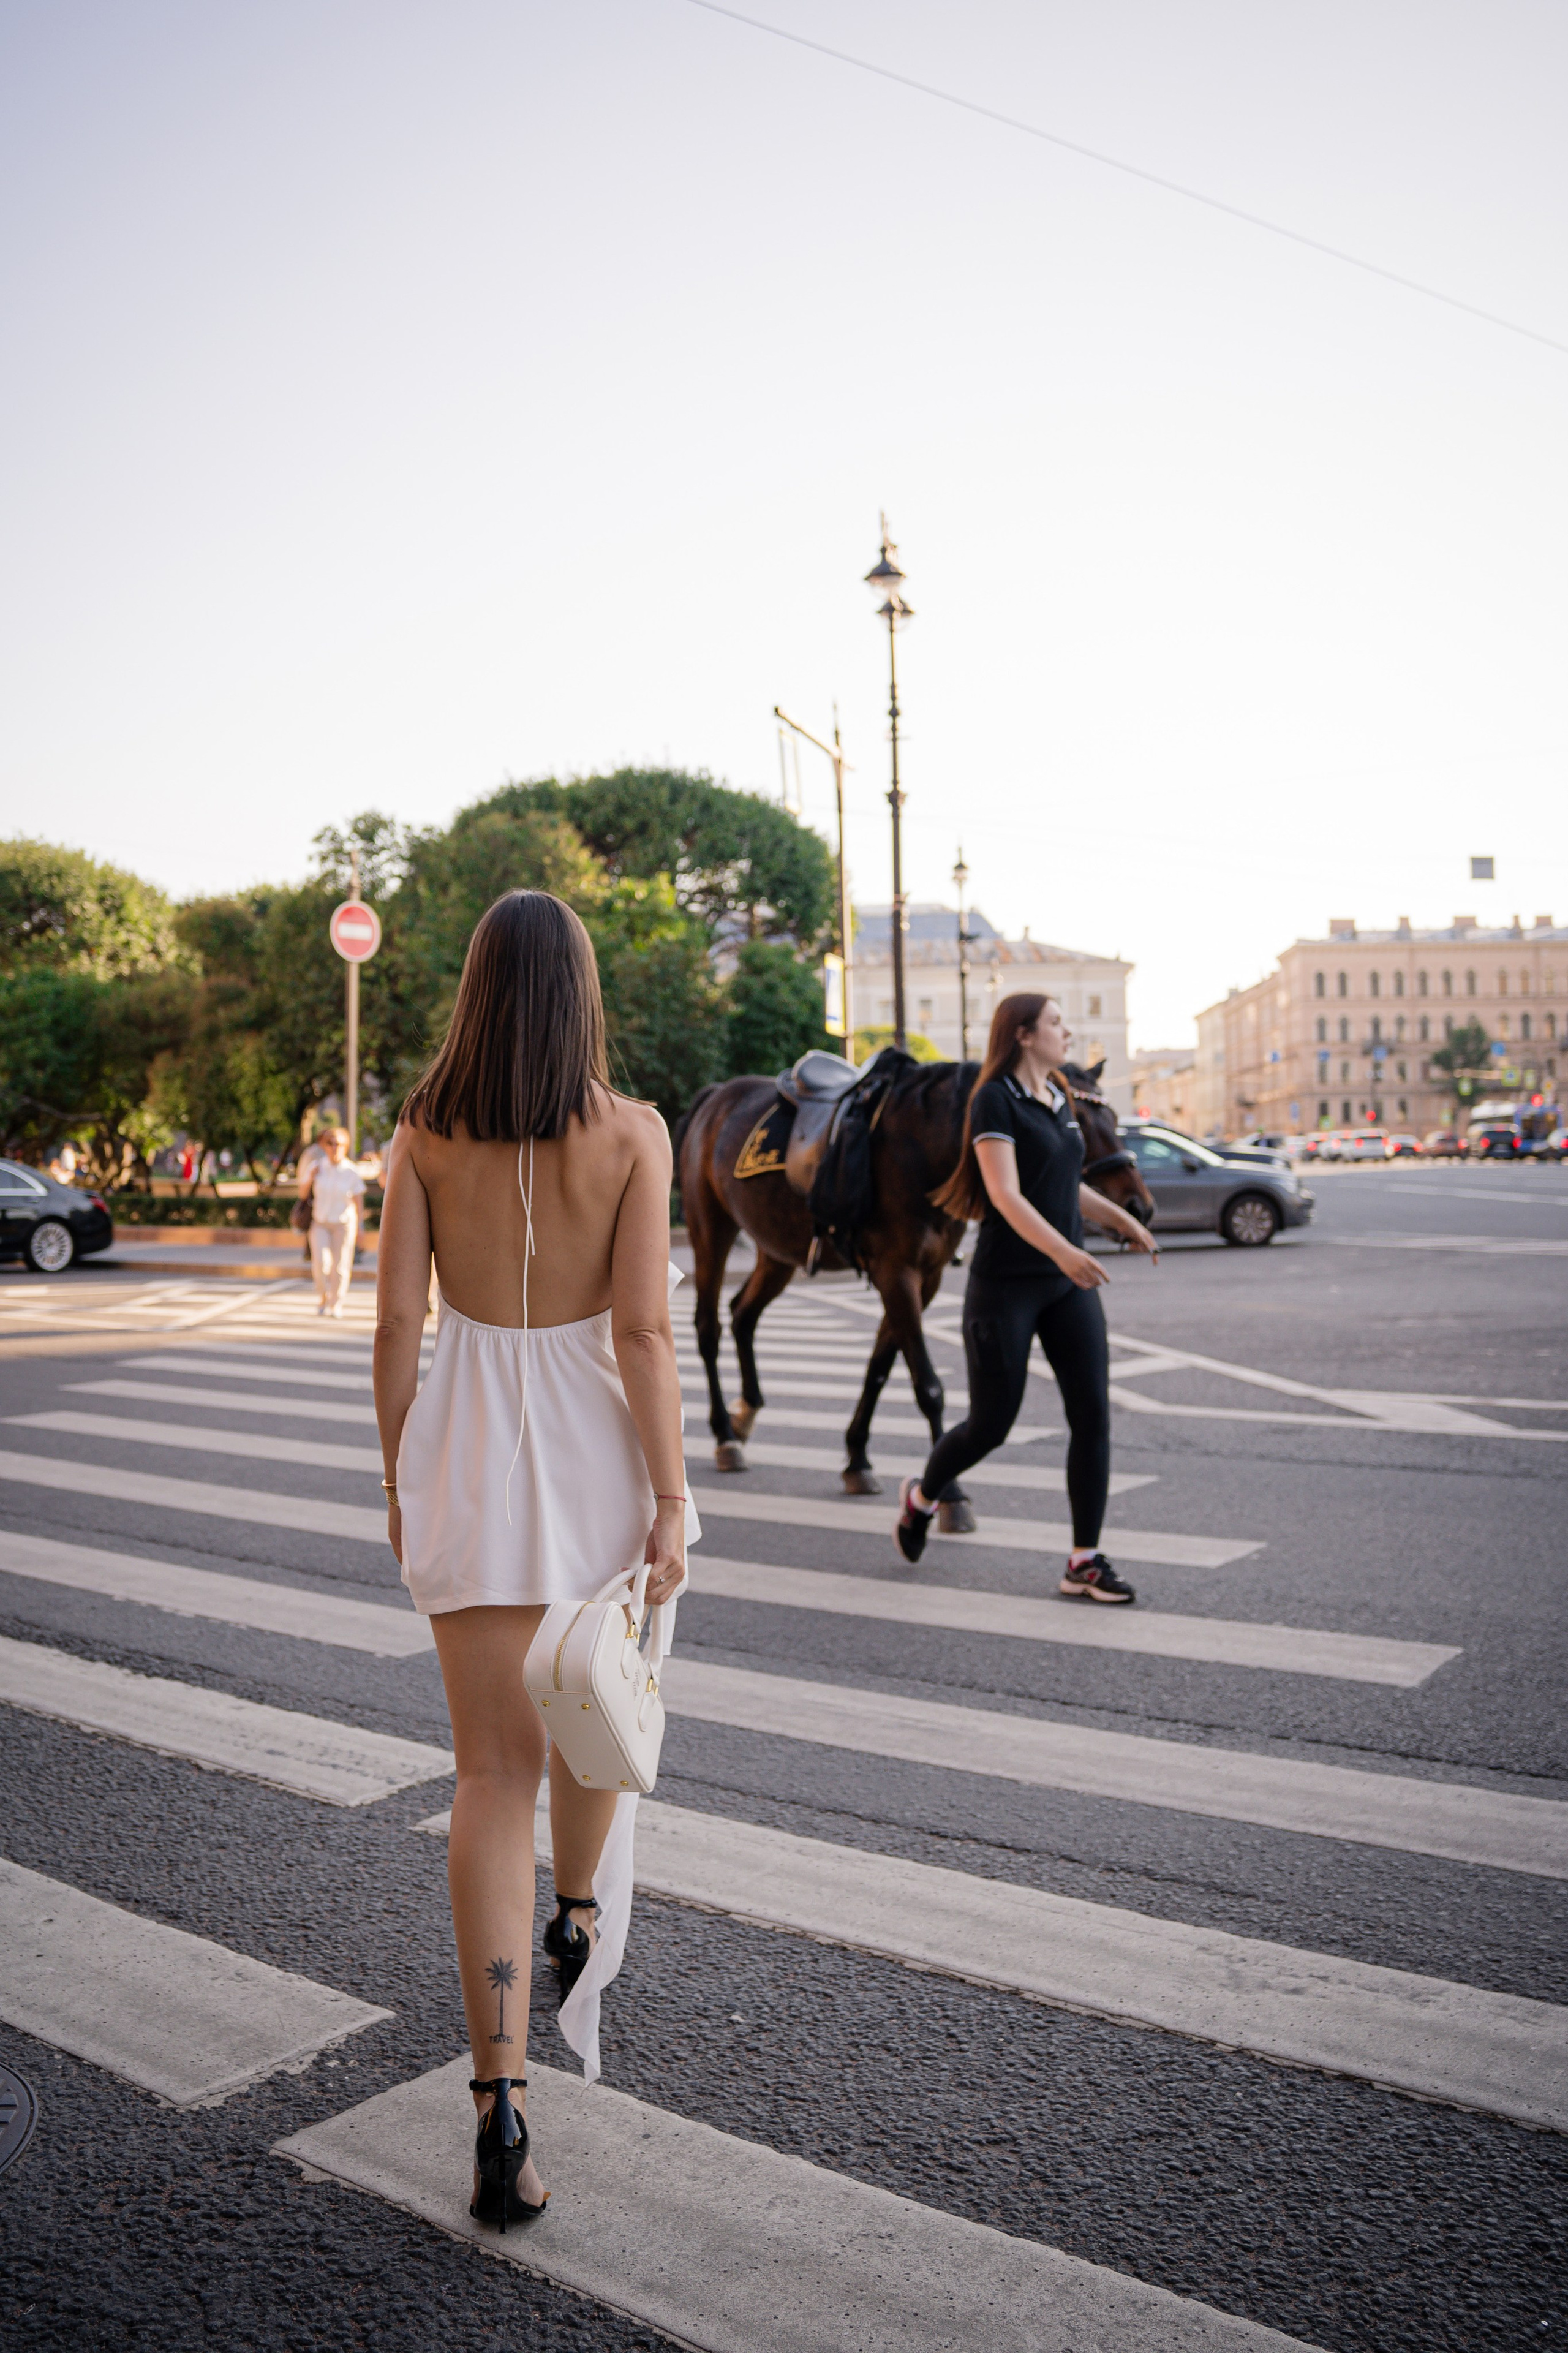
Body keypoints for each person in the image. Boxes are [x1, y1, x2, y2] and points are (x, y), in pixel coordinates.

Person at [373, 888, 695, 2230]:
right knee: (595, 1711)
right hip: (594, 1455)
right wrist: (669, 1495)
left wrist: (399, 1477)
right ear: (581, 992)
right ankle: (573, 1910)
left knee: (489, 1774)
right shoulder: (633, 1133)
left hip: (462, 1452)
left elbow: (397, 1324)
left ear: (476, 990)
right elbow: (643, 1334)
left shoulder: (420, 1132)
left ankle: (499, 2106)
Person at [895, 991, 1159, 1603]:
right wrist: (1065, 1251)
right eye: (1056, 1023)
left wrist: (1121, 1219)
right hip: (1006, 1286)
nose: (1067, 1033)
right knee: (990, 1424)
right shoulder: (994, 1098)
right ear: (1022, 1034)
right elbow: (1006, 1195)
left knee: (1092, 1416)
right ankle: (922, 1497)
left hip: (1065, 1288)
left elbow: (1063, 1185)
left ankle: (1084, 1560)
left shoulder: (1059, 1095)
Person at [300, 1126, 364, 1316]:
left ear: (346, 1146)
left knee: (341, 1266)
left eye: (339, 1144)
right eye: (330, 1143)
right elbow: (302, 1194)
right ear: (324, 1146)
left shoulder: (351, 1171)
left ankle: (336, 1303)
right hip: (320, 1222)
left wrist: (360, 1228)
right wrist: (310, 1178)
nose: (334, 1147)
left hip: (344, 1224)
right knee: (321, 1264)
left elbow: (358, 1202)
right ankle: (323, 1297)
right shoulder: (317, 1167)